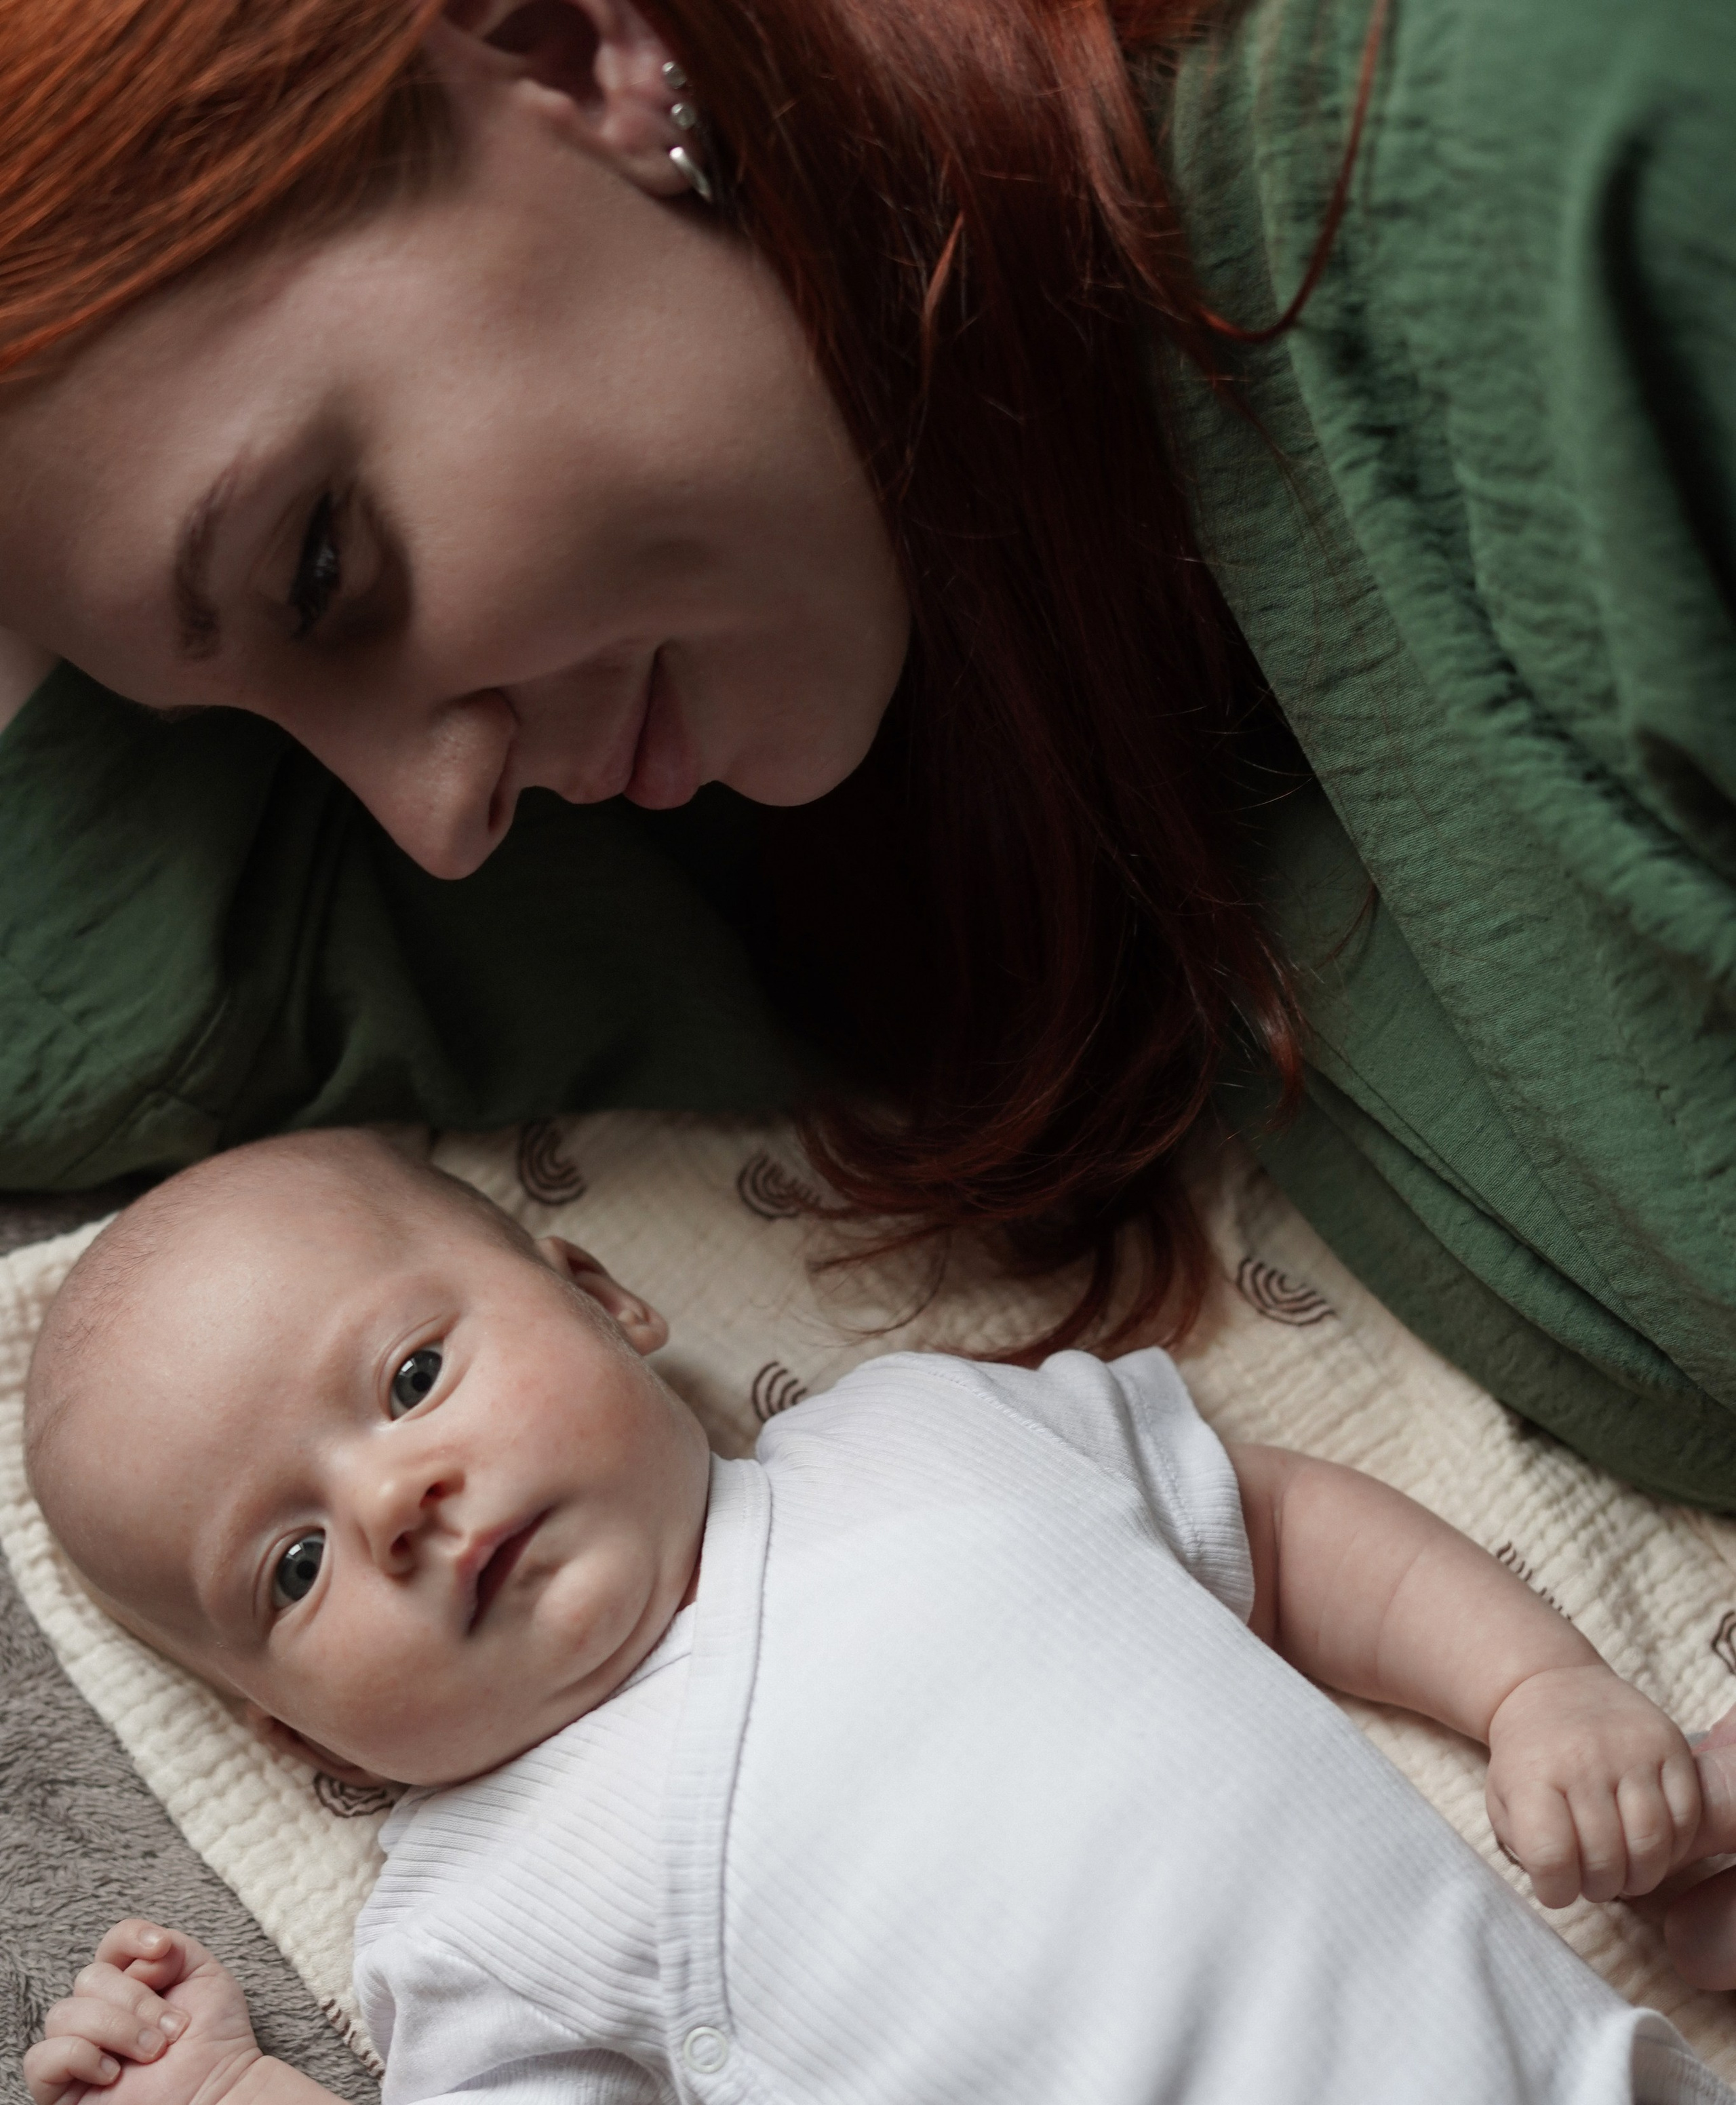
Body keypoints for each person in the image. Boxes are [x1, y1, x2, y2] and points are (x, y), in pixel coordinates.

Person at [0, 0, 1731, 1501]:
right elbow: (81, 985)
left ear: (577, 52)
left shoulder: (1571, 168)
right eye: (255, 729)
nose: (439, 817)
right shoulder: (870, 759)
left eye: (319, 569)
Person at [22, 1126, 1736, 2105]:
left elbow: (1275, 1531)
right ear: (297, 1740)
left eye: (410, 1380)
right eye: (294, 1565)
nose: (395, 1502)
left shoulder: (930, 1435)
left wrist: (1530, 1686)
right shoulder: (490, 1893)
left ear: (598, 1295)